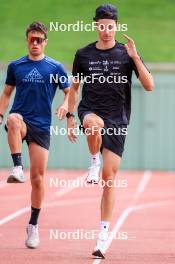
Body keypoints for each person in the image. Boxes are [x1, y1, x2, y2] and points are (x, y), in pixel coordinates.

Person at [66, 4, 154, 259]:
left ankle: (103, 234)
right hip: (91, 110)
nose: (106, 30)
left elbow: (149, 86)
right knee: (94, 125)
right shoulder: (83, 54)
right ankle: (93, 160)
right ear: (96, 25)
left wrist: (136, 57)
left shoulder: (126, 54)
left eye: (110, 26)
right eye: (101, 25)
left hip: (119, 119)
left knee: (109, 179)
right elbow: (74, 88)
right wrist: (72, 117)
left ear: (116, 26)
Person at [0, 21, 70, 248]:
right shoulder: (15, 66)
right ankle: (17, 168)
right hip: (21, 119)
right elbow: (7, 93)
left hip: (42, 125)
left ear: (45, 42)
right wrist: (0, 114)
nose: (35, 43)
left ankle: (33, 225)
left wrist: (65, 106)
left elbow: (69, 91)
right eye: (32, 39)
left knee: (38, 179)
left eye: (39, 40)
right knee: (12, 119)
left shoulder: (55, 67)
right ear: (27, 40)